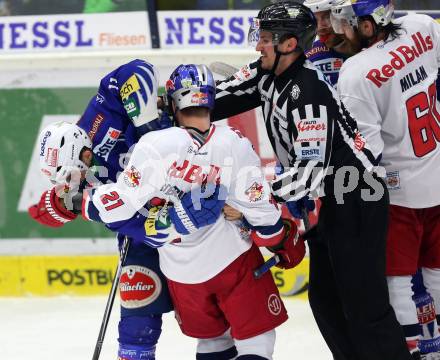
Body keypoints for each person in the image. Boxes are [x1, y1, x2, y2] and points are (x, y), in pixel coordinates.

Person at [212, 1, 412, 359]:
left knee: (364, 308)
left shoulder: (309, 92)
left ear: (290, 44)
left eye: (265, 37)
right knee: (327, 303)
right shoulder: (266, 72)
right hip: (331, 200)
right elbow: (213, 100)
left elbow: (309, 172)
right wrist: (170, 108)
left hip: (357, 197)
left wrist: (256, 198)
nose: (258, 44)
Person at [71, 64, 304, 360]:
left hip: (182, 275)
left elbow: (121, 202)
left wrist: (84, 202)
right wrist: (281, 240)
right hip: (232, 262)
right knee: (257, 340)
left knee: (212, 343)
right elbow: (262, 214)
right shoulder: (235, 144)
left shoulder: (154, 144)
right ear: (210, 100)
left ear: (172, 102)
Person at [28, 59, 174, 360]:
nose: (75, 181)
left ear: (79, 150)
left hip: (187, 210)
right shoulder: (78, 181)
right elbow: (49, 210)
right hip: (142, 232)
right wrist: (66, 202)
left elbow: (136, 69)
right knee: (136, 322)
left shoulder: (98, 118)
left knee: (207, 321)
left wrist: (148, 127)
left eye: (73, 173)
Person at [334, 1, 440, 358]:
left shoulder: (356, 70)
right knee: (438, 274)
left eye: (348, 24)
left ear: (367, 26)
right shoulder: (421, 25)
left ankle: (414, 351)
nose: (340, 31)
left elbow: (367, 150)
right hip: (437, 173)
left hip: (401, 192)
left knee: (396, 282)